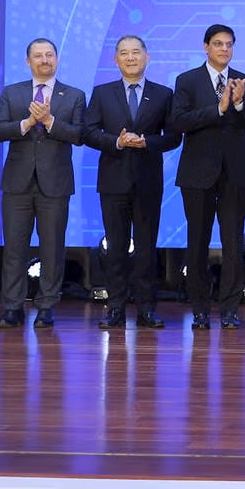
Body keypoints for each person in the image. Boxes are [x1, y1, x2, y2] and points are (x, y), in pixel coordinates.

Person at [0, 37, 86, 329]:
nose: (44, 60)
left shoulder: (74, 95)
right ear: (27, 61)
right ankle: (13, 307)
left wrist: (50, 121)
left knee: (52, 249)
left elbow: (79, 135)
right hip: (17, 184)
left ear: (57, 59)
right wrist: (28, 123)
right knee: (14, 248)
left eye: (49, 55)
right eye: (38, 56)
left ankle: (46, 307)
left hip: (55, 184)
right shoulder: (12, 93)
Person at [84, 35, 178, 328]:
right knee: (116, 247)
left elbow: (174, 137)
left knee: (147, 247)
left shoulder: (163, 94)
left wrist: (147, 142)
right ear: (116, 60)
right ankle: (115, 307)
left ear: (147, 57)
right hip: (113, 181)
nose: (130, 58)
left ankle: (146, 308)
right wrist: (117, 142)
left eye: (136, 52)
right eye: (124, 53)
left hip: (148, 181)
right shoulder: (102, 93)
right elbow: (88, 132)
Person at [171, 23, 245, 329]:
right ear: (206, 47)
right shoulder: (187, 81)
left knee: (233, 242)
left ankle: (230, 310)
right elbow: (179, 121)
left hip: (236, 172)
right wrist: (218, 109)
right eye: (218, 44)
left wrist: (239, 103)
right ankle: (199, 309)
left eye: (229, 44)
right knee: (197, 241)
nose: (224, 49)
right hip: (198, 172)